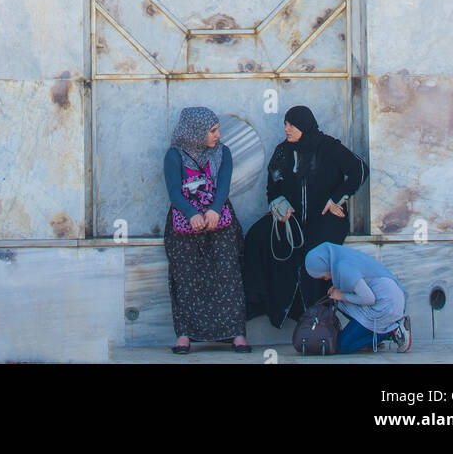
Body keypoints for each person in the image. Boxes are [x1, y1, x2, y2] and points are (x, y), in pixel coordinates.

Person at [243, 105, 368, 327]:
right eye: (285, 124)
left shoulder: (328, 147)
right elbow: (273, 186)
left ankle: (316, 315)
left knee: (313, 253)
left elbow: (359, 169)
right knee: (256, 236)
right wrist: (278, 205)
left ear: (304, 125)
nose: (287, 129)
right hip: (292, 219)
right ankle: (261, 303)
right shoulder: (283, 151)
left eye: (292, 125)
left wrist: (337, 198)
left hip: (324, 217)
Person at [163, 106, 251, 354]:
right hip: (185, 222)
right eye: (212, 131)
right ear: (194, 131)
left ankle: (236, 333)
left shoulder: (224, 153)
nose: (217, 135)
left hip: (219, 220)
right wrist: (192, 214)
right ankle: (184, 335)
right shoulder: (175, 156)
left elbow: (224, 184)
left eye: (217, 129)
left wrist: (213, 210)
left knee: (228, 274)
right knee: (186, 277)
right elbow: (174, 192)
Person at [304, 242, 412, 353]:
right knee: (339, 302)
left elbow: (369, 299)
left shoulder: (344, 268)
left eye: (322, 275)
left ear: (325, 265)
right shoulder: (341, 257)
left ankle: (391, 331)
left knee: (342, 346)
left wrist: (341, 295)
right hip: (388, 299)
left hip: (386, 307)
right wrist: (337, 289)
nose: (325, 279)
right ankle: (371, 335)